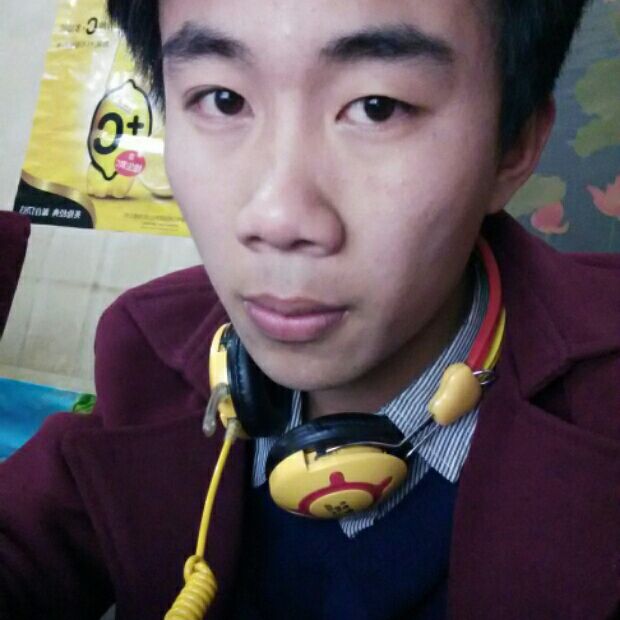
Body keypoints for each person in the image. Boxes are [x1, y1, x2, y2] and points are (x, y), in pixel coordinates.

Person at [1, 0, 618, 618]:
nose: (276, 218)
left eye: (377, 107)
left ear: (514, 145)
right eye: (222, 100)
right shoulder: (151, 352)